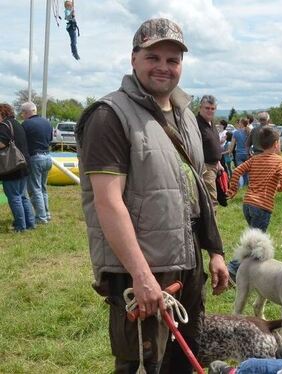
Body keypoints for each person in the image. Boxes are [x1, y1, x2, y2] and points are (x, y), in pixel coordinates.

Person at [75, 18, 229, 373]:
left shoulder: (185, 114)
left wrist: (215, 249)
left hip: (186, 261)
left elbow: (197, 190)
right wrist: (141, 276)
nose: (163, 67)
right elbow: (108, 202)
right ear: (134, 59)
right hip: (143, 266)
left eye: (172, 59)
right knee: (144, 363)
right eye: (153, 57)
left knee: (185, 357)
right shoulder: (109, 116)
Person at [227, 126, 282, 232]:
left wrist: (232, 190)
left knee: (253, 236)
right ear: (276, 144)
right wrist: (279, 188)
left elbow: (237, 171)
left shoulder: (254, 159)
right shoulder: (280, 161)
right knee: (258, 241)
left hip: (247, 204)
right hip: (262, 205)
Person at [0, 103, 35, 232]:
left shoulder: (4, 126)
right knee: (22, 196)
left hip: (11, 167)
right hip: (23, 164)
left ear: (2, 113)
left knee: (14, 197)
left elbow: (2, 143)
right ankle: (30, 223)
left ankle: (20, 226)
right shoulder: (16, 124)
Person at [21, 101, 53, 224]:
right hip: (47, 157)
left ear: (26, 112)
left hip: (35, 158)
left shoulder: (26, 124)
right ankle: (46, 214)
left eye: (22, 113)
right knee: (43, 188)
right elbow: (50, 139)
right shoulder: (47, 122)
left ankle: (41, 217)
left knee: (35, 189)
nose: (22, 116)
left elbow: (22, 143)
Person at [196, 95, 224, 207]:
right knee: (211, 201)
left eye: (213, 109)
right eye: (207, 108)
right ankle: (212, 224)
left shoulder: (211, 123)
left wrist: (218, 163)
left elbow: (214, 144)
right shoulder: (196, 123)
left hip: (215, 166)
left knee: (215, 197)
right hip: (205, 167)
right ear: (200, 108)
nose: (210, 111)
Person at [230, 118, 251, 186]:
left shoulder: (236, 132)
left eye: (239, 122)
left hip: (239, 154)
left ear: (241, 124)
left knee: (241, 171)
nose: (238, 124)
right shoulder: (249, 132)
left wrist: (230, 152)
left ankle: (242, 185)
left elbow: (232, 144)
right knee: (248, 170)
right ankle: (247, 184)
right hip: (247, 153)